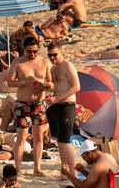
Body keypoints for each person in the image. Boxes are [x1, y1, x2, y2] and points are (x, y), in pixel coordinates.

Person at [7, 37, 52, 175]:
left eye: (34, 51)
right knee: (22, 137)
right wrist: (25, 81)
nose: (32, 54)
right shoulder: (18, 62)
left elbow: (51, 82)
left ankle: (37, 168)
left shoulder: (44, 61)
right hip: (23, 104)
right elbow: (10, 82)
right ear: (24, 49)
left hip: (39, 103)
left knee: (38, 137)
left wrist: (43, 86)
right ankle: (18, 169)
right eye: (29, 51)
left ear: (38, 49)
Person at [46, 43, 80, 177]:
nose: (52, 57)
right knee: (59, 143)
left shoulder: (67, 65)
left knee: (65, 142)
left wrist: (57, 98)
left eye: (55, 54)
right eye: (50, 55)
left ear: (61, 52)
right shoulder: (53, 69)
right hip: (56, 106)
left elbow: (76, 86)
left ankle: (73, 174)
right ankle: (65, 172)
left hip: (66, 106)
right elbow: (56, 87)